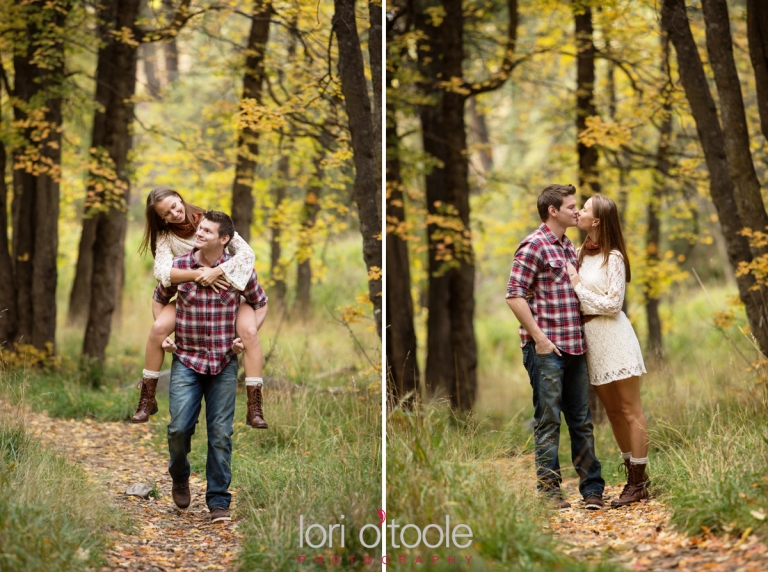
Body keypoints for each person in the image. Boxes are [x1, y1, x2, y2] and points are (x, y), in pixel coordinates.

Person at [153, 210, 268, 522]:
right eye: (199, 229)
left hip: (224, 363)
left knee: (220, 433)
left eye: (207, 231)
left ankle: (219, 500)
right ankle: (179, 476)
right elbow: (160, 298)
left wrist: (247, 336)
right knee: (178, 428)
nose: (199, 234)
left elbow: (260, 302)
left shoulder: (240, 270)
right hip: (186, 360)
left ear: (224, 239)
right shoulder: (178, 266)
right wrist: (161, 333)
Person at [132, 186, 268, 429]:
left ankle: (255, 406)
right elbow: (162, 273)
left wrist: (216, 271)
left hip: (227, 290)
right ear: (160, 218)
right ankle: (147, 398)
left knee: (249, 333)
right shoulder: (165, 236)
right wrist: (197, 275)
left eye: (175, 205)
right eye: (166, 213)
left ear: (181, 199)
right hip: (190, 292)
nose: (174, 213)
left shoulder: (208, 222)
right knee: (158, 329)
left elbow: (247, 254)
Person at [505, 183, 604, 510]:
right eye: (571, 206)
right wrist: (539, 338)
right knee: (548, 420)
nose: (577, 211)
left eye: (578, 206)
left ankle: (592, 491)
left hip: (575, 347)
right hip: (547, 350)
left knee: (581, 419)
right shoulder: (533, 246)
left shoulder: (566, 246)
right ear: (553, 211)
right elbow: (514, 294)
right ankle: (549, 494)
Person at [565, 194, 649, 508]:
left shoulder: (613, 257)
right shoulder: (578, 253)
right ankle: (633, 476)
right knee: (613, 413)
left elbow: (614, 305)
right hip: (592, 343)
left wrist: (577, 287)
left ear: (597, 220)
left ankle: (637, 483)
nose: (579, 212)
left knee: (630, 411)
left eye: (584, 209)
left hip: (614, 337)